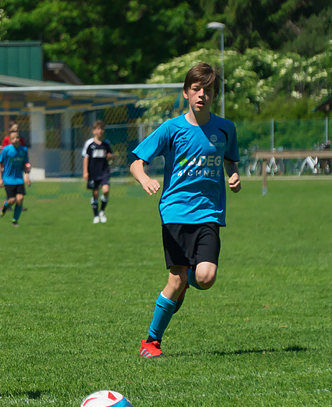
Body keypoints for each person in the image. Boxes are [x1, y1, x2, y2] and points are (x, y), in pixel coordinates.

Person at [130, 62, 241, 359]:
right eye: (196, 89)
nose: (202, 94)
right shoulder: (171, 128)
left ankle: (185, 286)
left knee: (205, 278)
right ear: (186, 93)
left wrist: (233, 174)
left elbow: (231, 159)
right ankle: (151, 342)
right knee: (176, 279)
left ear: (214, 95)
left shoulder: (225, 128)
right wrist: (144, 179)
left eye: (208, 89)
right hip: (175, 212)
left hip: (209, 213)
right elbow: (136, 161)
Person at [82, 120, 114, 224]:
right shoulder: (89, 144)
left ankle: (102, 211)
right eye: (98, 129)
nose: (100, 131)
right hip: (93, 172)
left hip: (104, 171)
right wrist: (85, 172)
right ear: (94, 131)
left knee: (105, 190)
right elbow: (86, 158)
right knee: (95, 193)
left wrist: (110, 158)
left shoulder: (106, 144)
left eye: (102, 129)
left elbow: (110, 157)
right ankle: (95, 215)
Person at [0, 131, 31, 227]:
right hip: (8, 179)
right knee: (12, 200)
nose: (15, 140)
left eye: (17, 138)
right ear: (10, 140)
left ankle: (15, 221)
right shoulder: (6, 150)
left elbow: (26, 164)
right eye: (13, 138)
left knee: (20, 199)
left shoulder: (23, 150)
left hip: (19, 179)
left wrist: (27, 176)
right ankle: (5, 206)